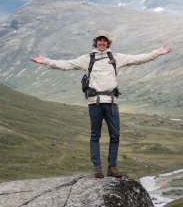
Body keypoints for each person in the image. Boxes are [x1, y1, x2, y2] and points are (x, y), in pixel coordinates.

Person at [30, 30, 172, 178]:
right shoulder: (87, 59)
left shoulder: (116, 57)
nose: (102, 43)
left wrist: (157, 53)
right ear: (95, 42)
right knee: (95, 136)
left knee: (115, 136)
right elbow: (66, 64)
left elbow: (138, 59)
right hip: (94, 103)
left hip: (111, 103)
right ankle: (97, 168)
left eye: (105, 40)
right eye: (99, 40)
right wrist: (45, 61)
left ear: (108, 43)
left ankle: (112, 167)